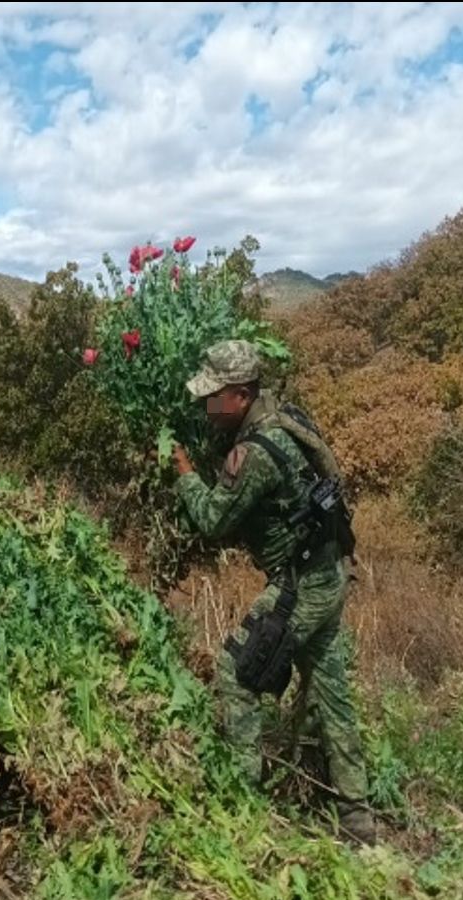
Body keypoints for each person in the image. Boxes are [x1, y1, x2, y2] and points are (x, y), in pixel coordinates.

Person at [172, 338, 379, 845]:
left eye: (213, 396)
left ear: (240, 395)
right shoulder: (286, 420)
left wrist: (183, 475)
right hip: (328, 574)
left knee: (235, 671)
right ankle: (357, 816)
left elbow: (213, 519)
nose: (206, 404)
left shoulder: (256, 453)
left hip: (301, 584)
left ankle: (244, 805)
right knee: (332, 696)